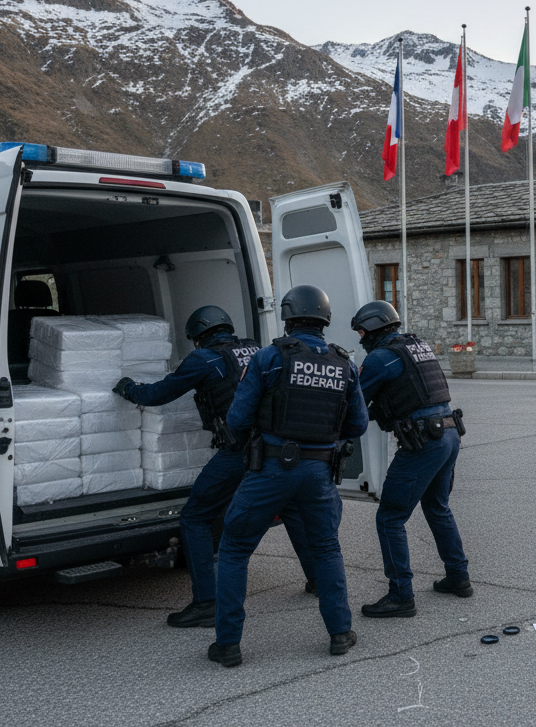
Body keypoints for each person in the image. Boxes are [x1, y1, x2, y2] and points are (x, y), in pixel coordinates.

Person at [113, 306, 317, 629]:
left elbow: (158, 394)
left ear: (199, 336)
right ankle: (318, 578)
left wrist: (128, 389)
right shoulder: (254, 347)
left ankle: (206, 602)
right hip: (277, 446)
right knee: (288, 505)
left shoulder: (202, 360)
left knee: (194, 516)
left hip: (240, 451)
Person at [205, 286, 369, 668]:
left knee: (233, 549)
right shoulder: (344, 363)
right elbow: (358, 425)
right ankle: (340, 634)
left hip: (272, 468)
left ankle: (228, 645)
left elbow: (237, 419)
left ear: (289, 317)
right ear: (325, 320)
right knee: (326, 548)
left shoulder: (270, 357)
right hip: (319, 472)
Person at [350, 300, 471, 620]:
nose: (360, 338)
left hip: (423, 443)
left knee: (389, 517)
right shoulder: (418, 346)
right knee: (437, 506)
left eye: (362, 331)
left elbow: (355, 404)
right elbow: (409, 392)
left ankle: (401, 595)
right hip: (448, 435)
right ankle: (458, 577)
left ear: (374, 327)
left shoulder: (380, 358)